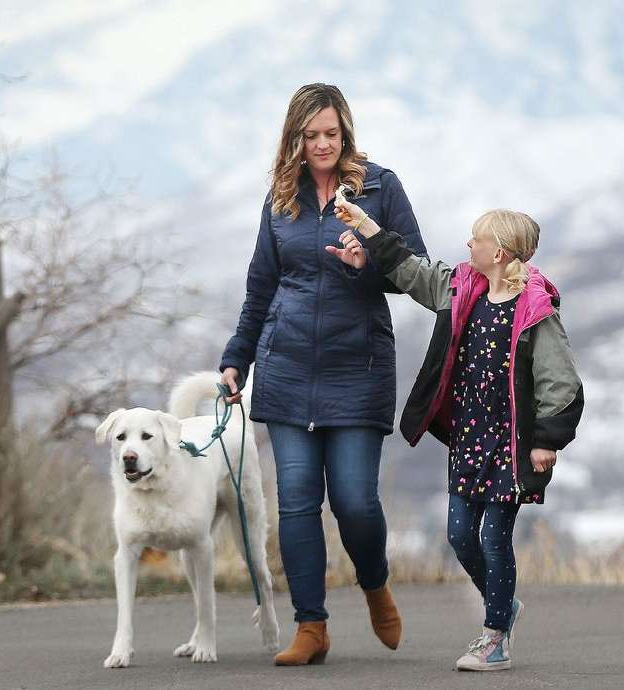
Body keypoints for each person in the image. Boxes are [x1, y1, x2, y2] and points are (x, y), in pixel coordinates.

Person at [218, 82, 428, 666]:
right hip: (286, 368)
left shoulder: (379, 187)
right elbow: (261, 286)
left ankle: (375, 581)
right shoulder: (280, 197)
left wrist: (369, 260)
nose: (321, 144)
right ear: (294, 137)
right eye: (310, 135)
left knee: (357, 501)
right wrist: (238, 358)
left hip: (357, 366)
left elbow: (415, 267)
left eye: (331, 133)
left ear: (346, 132)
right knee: (297, 501)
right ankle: (311, 627)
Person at [328, 201, 584, 671]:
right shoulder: (461, 287)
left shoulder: (534, 310)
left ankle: (495, 637)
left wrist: (547, 439)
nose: (469, 245)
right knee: (459, 535)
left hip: (510, 447)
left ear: (501, 253)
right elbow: (409, 269)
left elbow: (560, 381)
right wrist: (364, 224)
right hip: (468, 440)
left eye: (477, 239)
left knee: (492, 538)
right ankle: (503, 604)